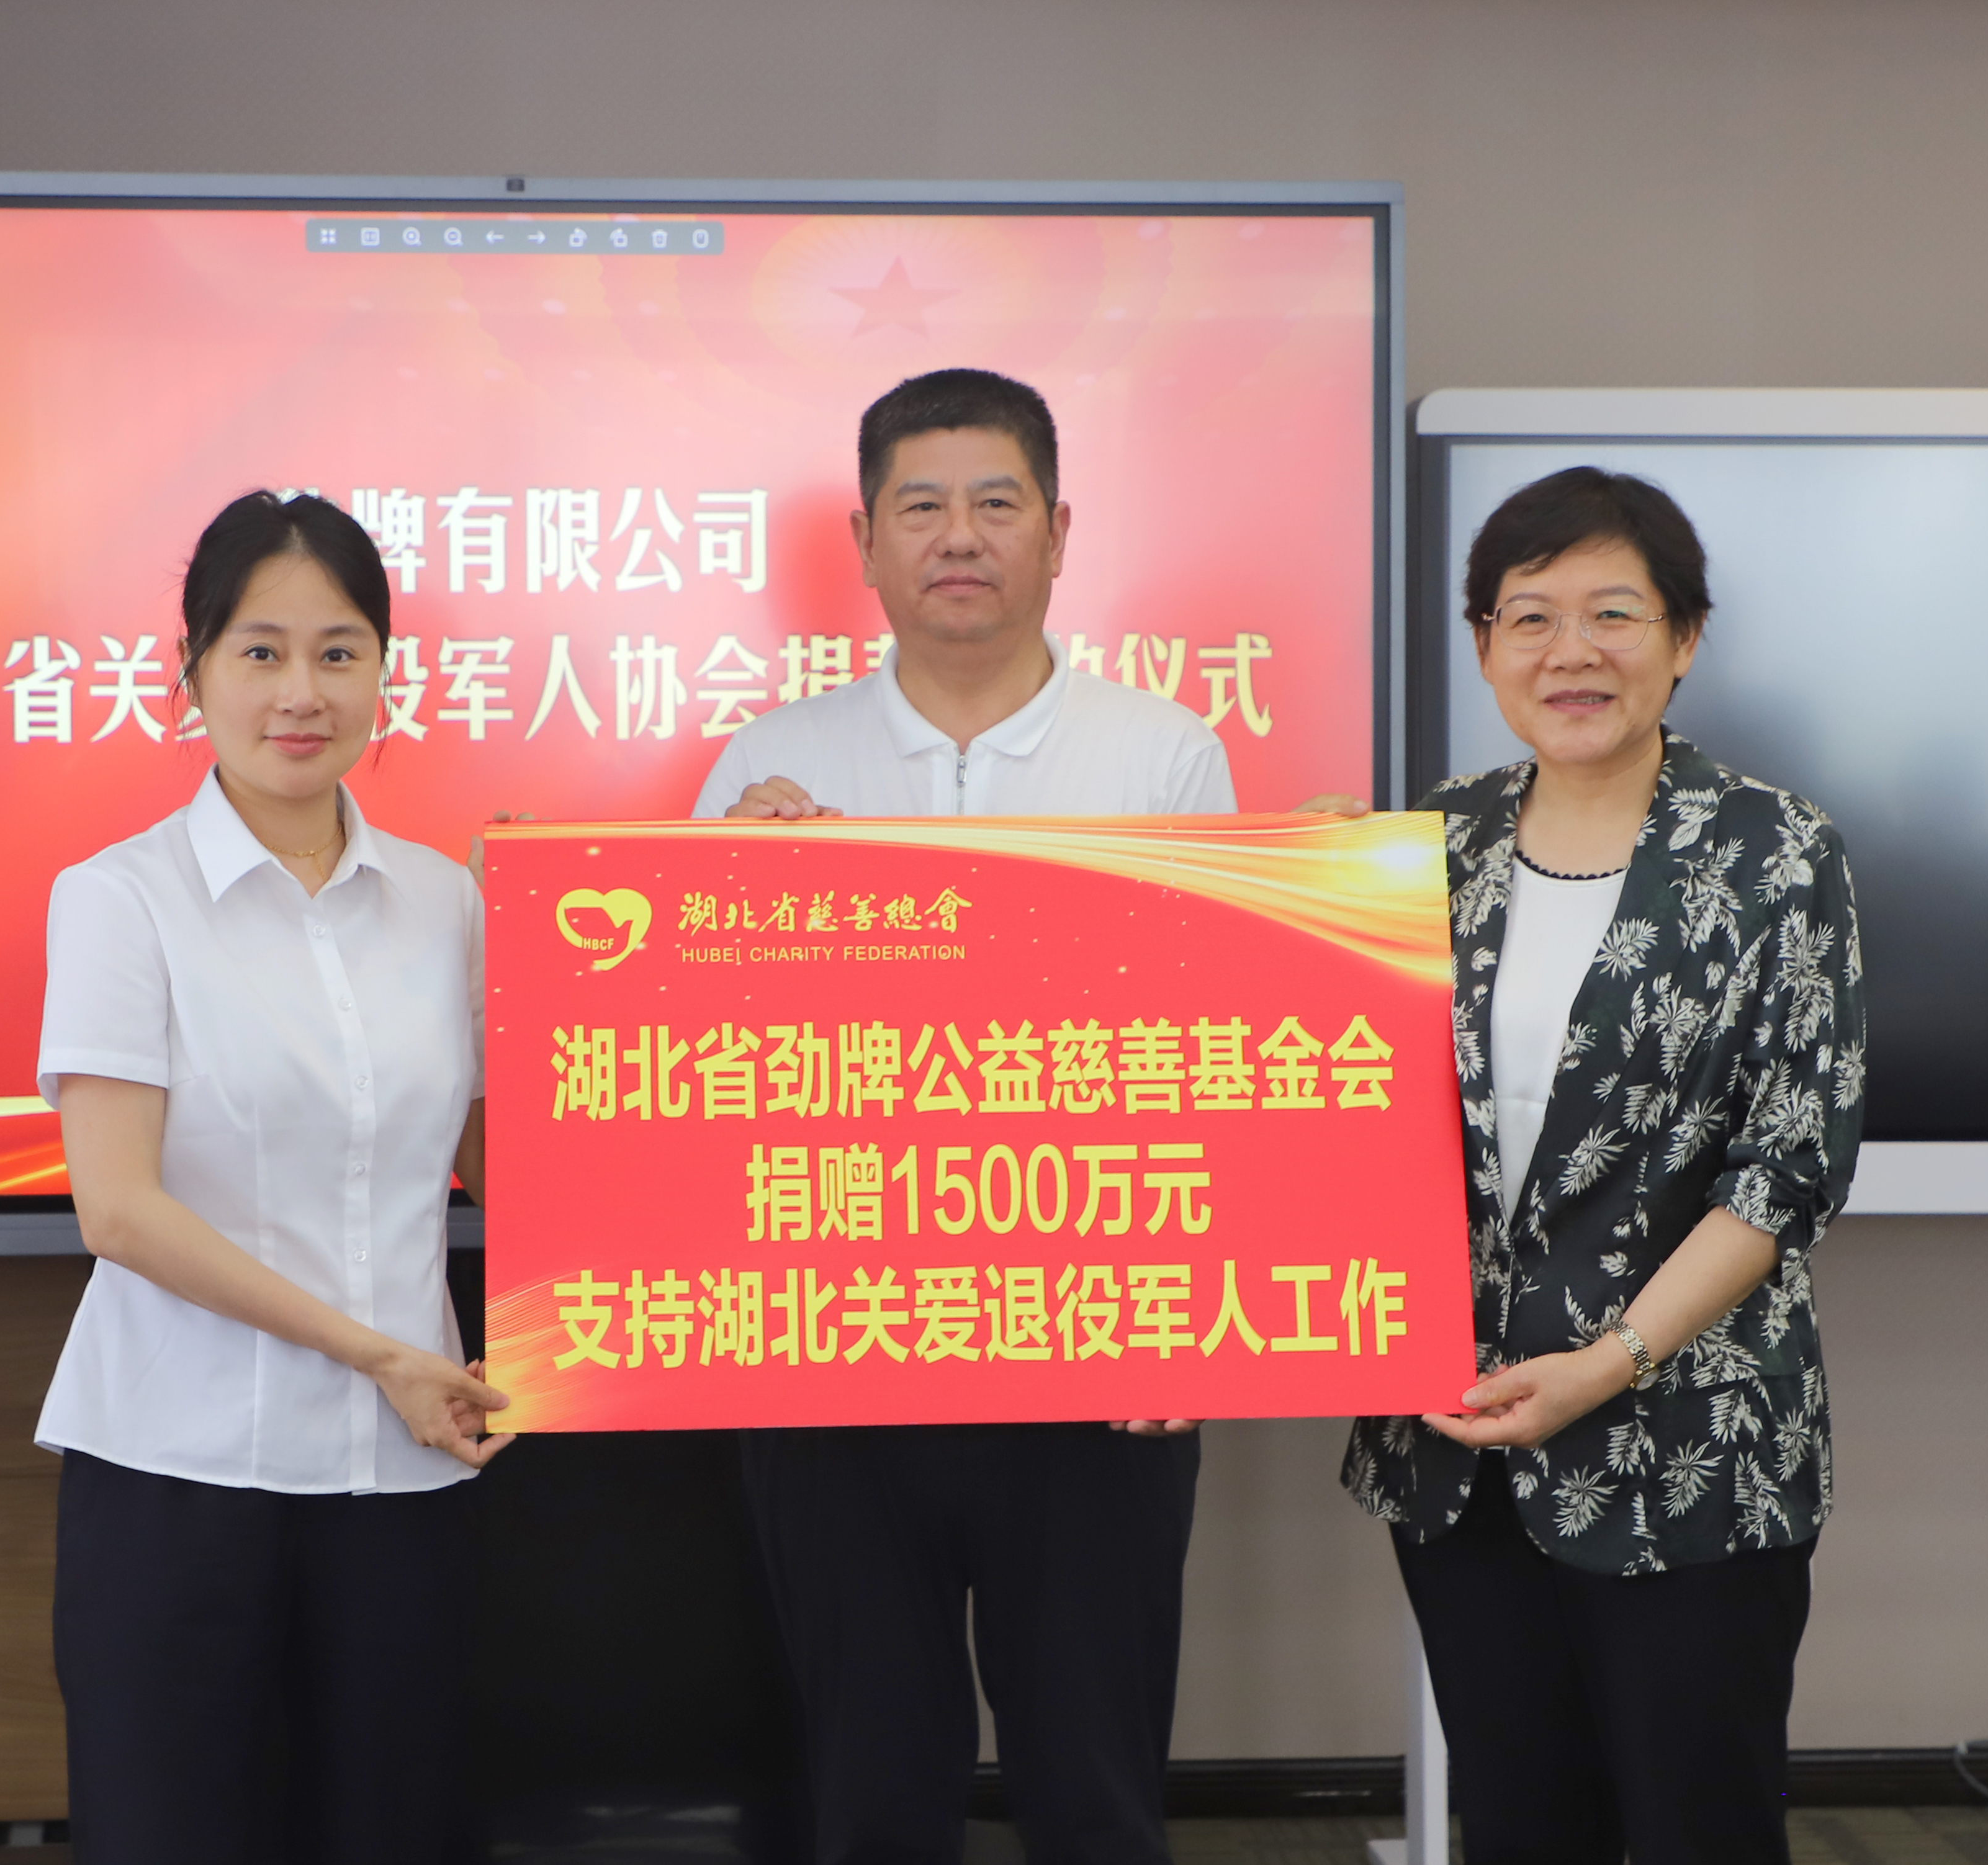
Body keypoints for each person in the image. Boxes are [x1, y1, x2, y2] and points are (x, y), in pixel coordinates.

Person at [696, 368, 1233, 1865]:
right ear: (864, 543)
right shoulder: (770, 767)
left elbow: (1216, 1061)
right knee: (871, 1793)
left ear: (1058, 533)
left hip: (1100, 1355)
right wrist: (731, 900)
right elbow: (708, 1077)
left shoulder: (1164, 755)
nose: (959, 536)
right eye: (921, 506)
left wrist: (1193, 1320)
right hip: (834, 1357)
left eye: (997, 503)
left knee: (1096, 1791)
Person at [1311, 467, 1864, 1864]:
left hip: (1687, 1445)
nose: (1573, 650)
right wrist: (1298, 894)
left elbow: (1787, 1167)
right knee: (1519, 1826)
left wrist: (1606, 1362)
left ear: (1684, 638)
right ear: (1484, 644)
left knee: (1698, 1828)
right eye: (1530, 615)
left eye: (1615, 612)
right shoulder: (1425, 845)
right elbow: (1322, 1107)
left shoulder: (1772, 850)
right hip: (1459, 1446)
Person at [34, 491, 508, 1864]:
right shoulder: (120, 897)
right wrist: (379, 1353)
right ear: (192, 673)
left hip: (402, 1482)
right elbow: (119, 1209)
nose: (303, 692)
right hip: (178, 1481)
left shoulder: (448, 901)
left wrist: (590, 940)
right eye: (260, 651)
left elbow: (503, 1168)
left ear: (384, 673)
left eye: (340, 651)